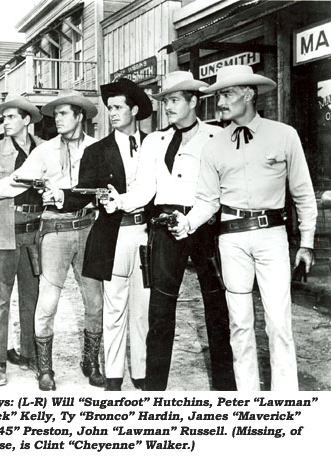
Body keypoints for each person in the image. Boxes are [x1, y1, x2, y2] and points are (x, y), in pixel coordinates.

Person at [171, 65, 317, 391]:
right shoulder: (214, 145)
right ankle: (247, 402)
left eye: (227, 94)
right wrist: (186, 223)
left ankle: (286, 402)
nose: (220, 102)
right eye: (220, 94)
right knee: (240, 324)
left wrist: (306, 242)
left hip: (272, 236)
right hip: (232, 239)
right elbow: (207, 201)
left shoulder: (284, 135)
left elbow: (304, 194)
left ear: (249, 95)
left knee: (279, 324)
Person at [105, 71, 236, 391]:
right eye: (165, 101)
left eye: (175, 100)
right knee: (160, 310)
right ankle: (154, 388)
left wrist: (198, 218)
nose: (169, 107)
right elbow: (144, 188)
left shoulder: (218, 137)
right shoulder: (154, 140)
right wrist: (119, 201)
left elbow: (223, 187)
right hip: (164, 226)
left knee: (216, 307)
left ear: (194, 101)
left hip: (206, 224)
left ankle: (226, 389)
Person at [0, 89, 104, 391]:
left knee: (95, 301)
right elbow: (15, 181)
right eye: (55, 114)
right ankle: (44, 368)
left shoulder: (98, 148)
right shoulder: (44, 151)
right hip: (54, 232)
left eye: (63, 113)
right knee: (47, 300)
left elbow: (106, 186)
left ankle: (91, 362)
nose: (57, 119)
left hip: (88, 230)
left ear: (79, 116)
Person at [48, 78, 153, 391]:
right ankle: (113, 376)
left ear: (135, 110)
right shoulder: (97, 150)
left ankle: (143, 375)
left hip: (147, 234)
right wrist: (61, 197)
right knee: (114, 308)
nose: (114, 113)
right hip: (112, 233)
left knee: (143, 309)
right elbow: (83, 191)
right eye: (110, 109)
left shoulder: (154, 145)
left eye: (119, 107)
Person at [0, 95, 44, 386]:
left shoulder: (44, 149)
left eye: (12, 117)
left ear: (26, 120)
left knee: (32, 299)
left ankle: (28, 353)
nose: (6, 122)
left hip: (35, 232)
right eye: (3, 118)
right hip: (3, 231)